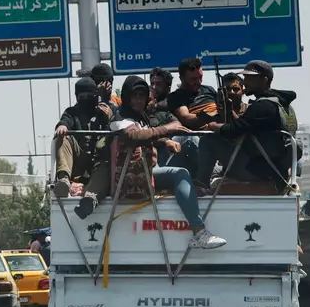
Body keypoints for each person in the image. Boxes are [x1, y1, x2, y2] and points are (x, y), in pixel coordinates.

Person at [74, 75, 227, 250]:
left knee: (185, 158)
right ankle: (198, 231)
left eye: (142, 96)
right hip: (129, 174)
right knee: (180, 174)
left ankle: (202, 188)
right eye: (135, 96)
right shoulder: (120, 117)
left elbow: (148, 133)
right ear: (126, 96)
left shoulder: (142, 117)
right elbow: (133, 136)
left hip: (146, 170)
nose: (139, 100)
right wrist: (166, 130)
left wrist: (165, 141)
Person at [200, 60, 301, 189]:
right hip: (275, 168)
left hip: (257, 170)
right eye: (245, 77)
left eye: (250, 78)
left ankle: (200, 186)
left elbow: (232, 131)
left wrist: (213, 125)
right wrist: (229, 110)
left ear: (264, 80)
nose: (245, 82)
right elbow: (244, 125)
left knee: (209, 141)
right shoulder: (282, 104)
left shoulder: (263, 106)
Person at [52, 77, 115, 197]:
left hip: (100, 158)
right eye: (82, 97)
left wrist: (110, 117)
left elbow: (120, 125)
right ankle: (63, 179)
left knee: (104, 165)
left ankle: (91, 196)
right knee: (64, 137)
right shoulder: (72, 112)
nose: (86, 100)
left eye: (89, 96)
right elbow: (65, 120)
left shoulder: (104, 110)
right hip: (80, 157)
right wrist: (62, 126)